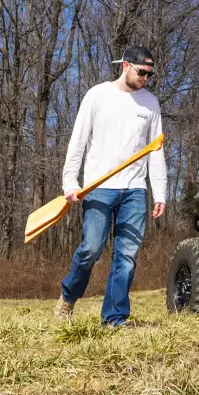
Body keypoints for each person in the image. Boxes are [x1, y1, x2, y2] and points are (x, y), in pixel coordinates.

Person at [55, 45, 167, 326]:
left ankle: (114, 319)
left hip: (135, 190)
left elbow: (156, 150)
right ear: (125, 66)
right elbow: (78, 141)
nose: (145, 78)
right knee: (91, 248)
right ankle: (68, 296)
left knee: (126, 256)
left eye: (150, 74)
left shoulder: (151, 103)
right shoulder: (97, 95)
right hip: (99, 187)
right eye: (142, 72)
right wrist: (70, 182)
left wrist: (160, 193)